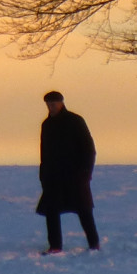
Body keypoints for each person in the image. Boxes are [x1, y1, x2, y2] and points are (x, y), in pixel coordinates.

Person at [36, 90, 99, 253]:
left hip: (75, 175)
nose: (51, 107)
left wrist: (86, 172)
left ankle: (94, 244)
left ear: (61, 103)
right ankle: (55, 246)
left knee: (84, 210)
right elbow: (44, 152)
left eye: (53, 104)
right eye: (48, 104)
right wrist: (43, 174)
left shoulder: (75, 121)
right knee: (51, 210)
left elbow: (89, 149)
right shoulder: (47, 124)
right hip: (53, 176)